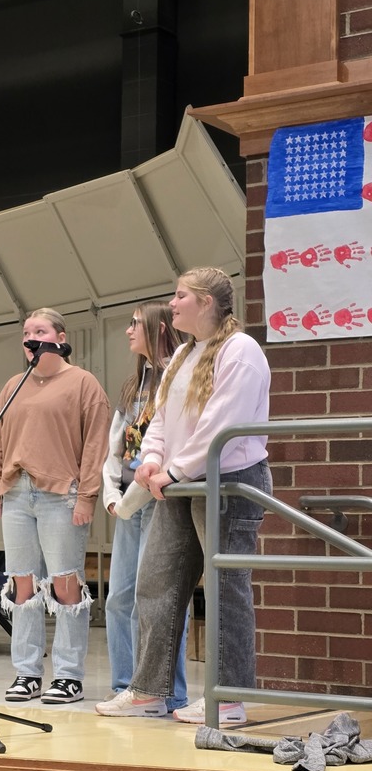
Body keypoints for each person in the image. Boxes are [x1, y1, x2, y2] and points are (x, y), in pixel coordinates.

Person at [98, 267, 272, 724]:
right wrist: (153, 461)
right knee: (155, 583)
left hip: (229, 483)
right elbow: (161, 420)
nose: (171, 304)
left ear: (207, 303)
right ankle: (150, 691)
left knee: (224, 588)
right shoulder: (182, 357)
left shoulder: (241, 352)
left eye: (180, 296)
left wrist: (173, 470)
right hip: (179, 482)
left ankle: (228, 700)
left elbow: (222, 426)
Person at [0, 308, 110, 704]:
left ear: (59, 337)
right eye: (26, 331)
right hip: (17, 492)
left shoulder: (83, 383)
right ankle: (27, 672)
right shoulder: (14, 385)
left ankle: (68, 676)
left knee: (65, 583)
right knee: (22, 582)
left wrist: (87, 496)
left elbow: (96, 445)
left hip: (62, 495)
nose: (30, 337)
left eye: (39, 330)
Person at [95, 301, 188, 717]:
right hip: (128, 505)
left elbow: (172, 448)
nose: (128, 331)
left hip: (159, 502)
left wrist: (131, 500)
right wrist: (112, 496)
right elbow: (115, 449)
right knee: (118, 599)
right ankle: (126, 686)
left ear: (158, 328)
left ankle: (170, 693)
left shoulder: (178, 378)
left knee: (160, 601)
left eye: (135, 324)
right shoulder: (133, 386)